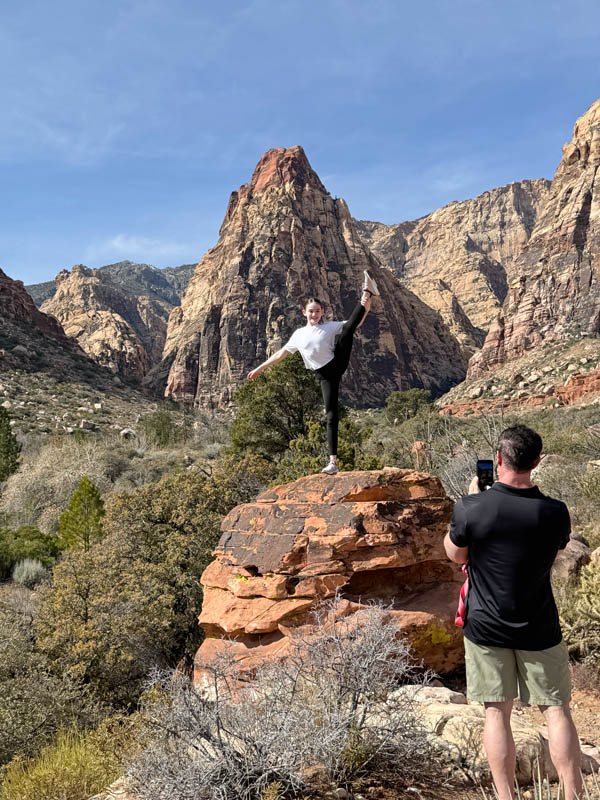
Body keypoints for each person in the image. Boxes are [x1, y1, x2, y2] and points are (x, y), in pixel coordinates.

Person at [444, 425, 582, 800]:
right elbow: (553, 556)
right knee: (556, 710)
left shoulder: (472, 507)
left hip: (486, 626)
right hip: (539, 625)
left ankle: (506, 797)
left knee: (496, 713)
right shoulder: (555, 512)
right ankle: (573, 794)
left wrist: (474, 500)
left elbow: (455, 554)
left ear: (499, 459)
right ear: (537, 462)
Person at [247, 270, 380, 475]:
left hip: (337, 362)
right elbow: (281, 354)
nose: (314, 314)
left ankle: (366, 293)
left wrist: (366, 305)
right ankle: (333, 463)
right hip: (324, 375)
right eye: (311, 311)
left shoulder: (328, 327)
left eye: (317, 311)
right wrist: (259, 369)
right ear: (304, 312)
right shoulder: (298, 335)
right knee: (330, 415)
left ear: (322, 312)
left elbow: (355, 323)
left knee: (346, 332)